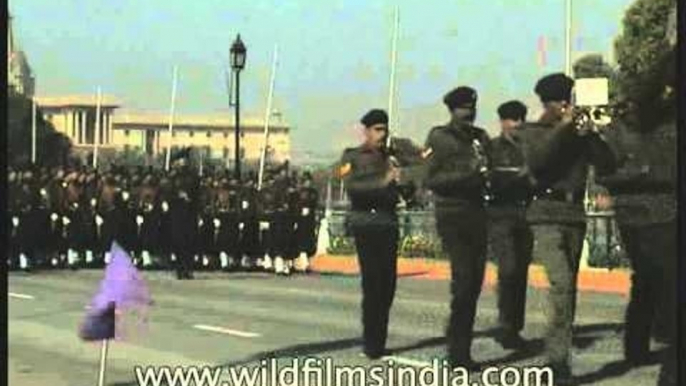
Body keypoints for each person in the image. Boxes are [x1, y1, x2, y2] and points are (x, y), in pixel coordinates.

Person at [513, 73, 617, 384]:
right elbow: (540, 161)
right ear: (553, 103)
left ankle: (560, 357)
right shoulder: (533, 131)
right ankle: (557, 364)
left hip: (573, 214)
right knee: (560, 285)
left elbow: (607, 163)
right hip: (545, 214)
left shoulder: (579, 134)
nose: (570, 105)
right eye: (565, 100)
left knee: (569, 290)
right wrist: (564, 127)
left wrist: (593, 134)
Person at [423, 86, 491, 370]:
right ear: (453, 110)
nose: (469, 113)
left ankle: (462, 347)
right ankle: (457, 352)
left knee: (474, 283)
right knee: (463, 283)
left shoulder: (481, 138)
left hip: (478, 213)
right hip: (452, 214)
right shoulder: (439, 137)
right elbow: (432, 179)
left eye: (472, 108)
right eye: (464, 108)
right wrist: (470, 173)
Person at [339, 109, 400, 359]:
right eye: (377, 130)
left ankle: (378, 338)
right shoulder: (351, 156)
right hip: (366, 222)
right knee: (373, 283)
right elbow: (353, 187)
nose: (381, 135)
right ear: (366, 131)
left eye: (384, 130)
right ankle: (372, 342)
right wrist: (384, 181)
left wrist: (402, 182)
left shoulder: (391, 156)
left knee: (388, 285)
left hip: (387, 221)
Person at [488, 100, 535, 349]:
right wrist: (519, 176)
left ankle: (514, 327)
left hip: (525, 213)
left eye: (520, 119)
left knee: (521, 273)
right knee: (508, 269)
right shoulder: (492, 149)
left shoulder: (529, 148)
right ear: (503, 122)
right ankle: (506, 325)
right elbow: (489, 181)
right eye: (512, 119)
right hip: (500, 215)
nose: (517, 124)